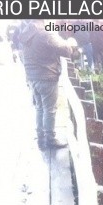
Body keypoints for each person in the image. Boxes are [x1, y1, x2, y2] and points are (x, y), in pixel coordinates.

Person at [18, 20, 76, 149]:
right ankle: (50, 139)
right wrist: (70, 42)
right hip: (46, 76)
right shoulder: (45, 33)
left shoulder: (27, 32)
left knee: (39, 107)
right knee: (49, 109)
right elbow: (66, 50)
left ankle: (41, 136)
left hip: (32, 77)